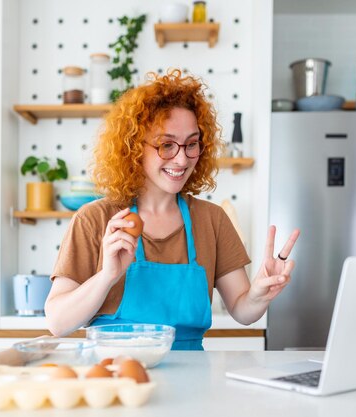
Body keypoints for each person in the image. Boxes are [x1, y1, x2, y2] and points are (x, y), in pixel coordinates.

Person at [46, 69, 300, 350]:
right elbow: (57, 322)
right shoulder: (95, 219)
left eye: (191, 144)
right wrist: (107, 276)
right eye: (166, 145)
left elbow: (243, 310)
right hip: (115, 379)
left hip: (193, 379)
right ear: (134, 147)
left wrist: (258, 295)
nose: (181, 159)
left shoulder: (211, 220)